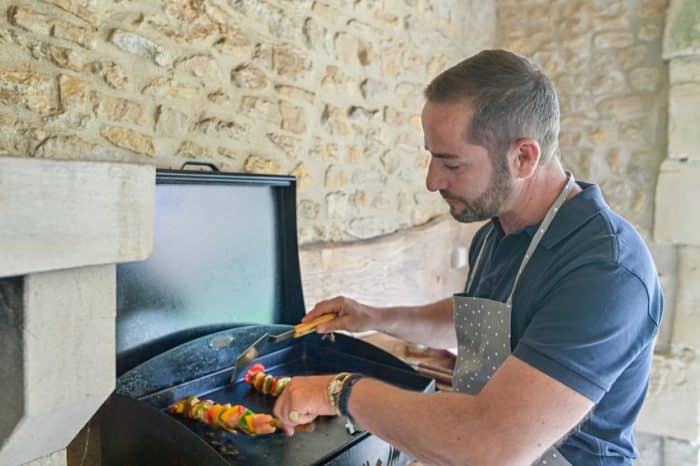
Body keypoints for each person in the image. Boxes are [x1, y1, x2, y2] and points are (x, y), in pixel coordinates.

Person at [273, 49, 663, 466]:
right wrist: (373, 316)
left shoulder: (605, 270)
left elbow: (490, 445)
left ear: (523, 157)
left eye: (451, 164)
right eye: (431, 156)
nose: (432, 180)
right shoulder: (493, 234)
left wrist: (339, 391)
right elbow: (475, 322)